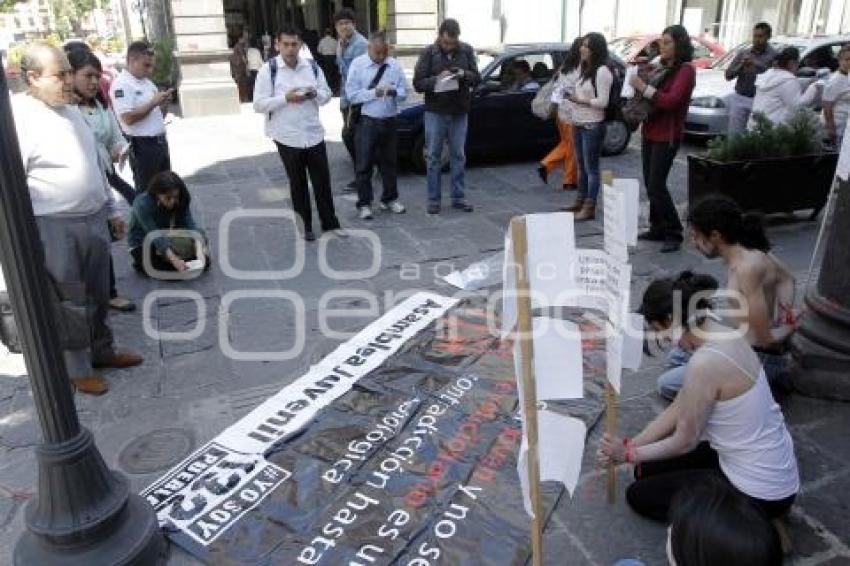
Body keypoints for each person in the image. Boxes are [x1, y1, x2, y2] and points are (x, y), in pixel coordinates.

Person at [600, 271, 799, 524]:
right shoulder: (720, 329)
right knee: (644, 469)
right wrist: (630, 447)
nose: (663, 339)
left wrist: (627, 455)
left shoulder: (705, 364)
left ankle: (755, 521)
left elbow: (684, 442)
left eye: (659, 330)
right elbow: (680, 405)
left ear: (671, 319)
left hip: (760, 491)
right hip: (765, 465)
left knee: (639, 495)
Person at [13, 44, 143, 395]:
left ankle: (103, 350)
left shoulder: (71, 112)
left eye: (71, 72)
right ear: (33, 78)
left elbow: (95, 164)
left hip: (93, 217)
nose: (70, 80)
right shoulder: (20, 119)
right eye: (61, 74)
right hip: (54, 224)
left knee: (99, 292)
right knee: (69, 298)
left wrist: (112, 210)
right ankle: (77, 367)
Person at [654, 196, 797, 400]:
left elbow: (764, 339)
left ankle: (754, 388)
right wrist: (785, 310)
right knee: (678, 353)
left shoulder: (747, 268)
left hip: (758, 357)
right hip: (743, 343)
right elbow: (787, 279)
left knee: (666, 385)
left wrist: (790, 324)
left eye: (695, 237)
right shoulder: (749, 249)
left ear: (715, 236)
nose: (693, 243)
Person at [252, 26, 342, 241]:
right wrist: (286, 98)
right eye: (286, 44)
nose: (290, 49)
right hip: (287, 136)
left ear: (301, 45)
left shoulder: (311, 66)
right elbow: (258, 104)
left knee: (322, 181)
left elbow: (327, 94)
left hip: (313, 133)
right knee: (298, 183)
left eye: (294, 44)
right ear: (277, 45)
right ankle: (305, 227)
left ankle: (330, 224)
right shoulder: (269, 70)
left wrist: (313, 94)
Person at [67, 46, 137, 313]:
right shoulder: (67, 112)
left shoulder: (99, 105)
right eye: (88, 76)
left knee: (103, 239)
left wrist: (119, 148)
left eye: (97, 76)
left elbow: (115, 136)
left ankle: (108, 292)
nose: (95, 82)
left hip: (103, 176)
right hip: (78, 187)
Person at [629, 25, 696, 253]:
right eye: (661, 42)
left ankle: (673, 231)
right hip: (650, 131)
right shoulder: (662, 65)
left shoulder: (686, 70)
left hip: (667, 134)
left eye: (667, 42)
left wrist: (643, 87)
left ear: (679, 45)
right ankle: (657, 227)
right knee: (650, 183)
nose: (662, 46)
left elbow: (671, 101)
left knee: (657, 185)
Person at [413, 18, 480, 215]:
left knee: (458, 155)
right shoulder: (428, 52)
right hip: (436, 111)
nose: (449, 46)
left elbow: (477, 78)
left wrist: (464, 74)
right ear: (439, 36)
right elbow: (418, 83)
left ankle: (458, 197)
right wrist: (437, 80)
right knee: (433, 156)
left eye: (453, 43)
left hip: (459, 111)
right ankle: (433, 200)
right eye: (445, 42)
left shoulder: (466, 50)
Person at [346, 31, 408, 220]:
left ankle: (389, 198)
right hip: (367, 121)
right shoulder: (358, 65)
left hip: (389, 120)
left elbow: (405, 93)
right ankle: (364, 203)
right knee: (364, 164)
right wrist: (374, 92)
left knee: (389, 163)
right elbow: (352, 94)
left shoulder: (394, 65)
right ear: (369, 48)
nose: (381, 57)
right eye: (377, 53)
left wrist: (393, 92)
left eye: (384, 53)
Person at [110, 40, 173, 194]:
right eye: (146, 65)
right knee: (148, 193)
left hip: (159, 142)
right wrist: (153, 103)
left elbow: (158, 116)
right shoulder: (122, 84)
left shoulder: (147, 83)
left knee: (166, 189)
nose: (150, 70)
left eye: (151, 65)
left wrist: (163, 104)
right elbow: (128, 118)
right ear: (132, 60)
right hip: (143, 146)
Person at [563, 32, 611, 221]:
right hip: (579, 122)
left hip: (593, 124)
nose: (582, 49)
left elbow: (603, 102)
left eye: (586, 46)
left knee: (591, 168)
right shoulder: (585, 69)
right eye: (582, 45)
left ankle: (590, 206)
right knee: (581, 166)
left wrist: (580, 100)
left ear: (595, 50)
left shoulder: (602, 71)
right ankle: (580, 200)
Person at [128, 172, 209, 277]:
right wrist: (174, 259)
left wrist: (199, 250)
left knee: (204, 262)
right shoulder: (141, 204)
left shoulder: (182, 200)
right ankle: (141, 263)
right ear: (157, 194)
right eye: (167, 198)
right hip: (143, 242)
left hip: (168, 236)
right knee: (173, 271)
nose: (172, 202)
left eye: (175, 197)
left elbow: (190, 225)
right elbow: (154, 234)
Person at [538, 36, 581, 193]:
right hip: (571, 113)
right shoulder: (580, 70)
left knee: (567, 144)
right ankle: (567, 179)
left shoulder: (564, 67)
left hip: (560, 113)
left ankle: (553, 170)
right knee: (572, 147)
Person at [335, 8, 368, 188]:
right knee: (353, 137)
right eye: (340, 24)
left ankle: (363, 173)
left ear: (354, 24)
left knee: (350, 136)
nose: (344, 26)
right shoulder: (342, 42)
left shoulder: (360, 44)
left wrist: (340, 56)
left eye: (347, 23)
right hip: (346, 98)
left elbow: (356, 75)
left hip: (357, 99)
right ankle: (362, 172)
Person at [748, 47, 820, 130]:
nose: (798, 66)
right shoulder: (788, 80)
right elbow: (797, 106)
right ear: (792, 63)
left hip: (754, 126)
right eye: (797, 63)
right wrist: (814, 87)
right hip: (771, 130)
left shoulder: (767, 74)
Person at [725, 22, 778, 135]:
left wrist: (755, 63)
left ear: (768, 37)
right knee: (734, 135)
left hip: (760, 100)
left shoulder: (774, 55)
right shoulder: (744, 53)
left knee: (755, 135)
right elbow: (728, 75)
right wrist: (741, 66)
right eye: (754, 36)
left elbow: (774, 76)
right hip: (740, 97)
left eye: (760, 36)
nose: (756, 40)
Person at [823, 44, 850, 148]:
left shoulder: (847, 76)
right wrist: (831, 129)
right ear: (840, 60)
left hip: (844, 126)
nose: (849, 63)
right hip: (836, 128)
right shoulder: (835, 81)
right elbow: (827, 105)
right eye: (847, 59)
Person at [317, 28, 340, 93]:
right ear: (331, 33)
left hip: (325, 58)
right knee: (334, 72)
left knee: (327, 72)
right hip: (333, 57)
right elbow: (337, 51)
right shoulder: (335, 41)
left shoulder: (322, 41)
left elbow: (319, 50)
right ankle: (334, 86)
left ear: (325, 33)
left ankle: (328, 86)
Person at [230, 33, 251, 102]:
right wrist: (247, 66)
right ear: (240, 39)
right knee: (241, 83)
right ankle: (242, 98)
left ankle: (242, 98)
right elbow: (243, 57)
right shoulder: (239, 46)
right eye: (243, 39)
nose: (244, 40)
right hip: (239, 68)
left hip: (237, 67)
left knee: (240, 83)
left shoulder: (237, 46)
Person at [246, 38, 264, 102]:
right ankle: (256, 97)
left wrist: (247, 68)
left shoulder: (248, 51)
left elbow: (247, 60)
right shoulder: (257, 51)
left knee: (251, 84)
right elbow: (260, 60)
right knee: (256, 84)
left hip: (251, 69)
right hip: (257, 69)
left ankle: (250, 97)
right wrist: (264, 67)